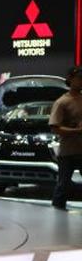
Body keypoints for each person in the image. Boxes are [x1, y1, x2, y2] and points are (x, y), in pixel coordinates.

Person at [50, 66, 82, 210]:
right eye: (79, 78)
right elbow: (55, 127)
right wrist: (77, 130)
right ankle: (57, 212)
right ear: (70, 79)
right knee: (63, 185)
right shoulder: (62, 102)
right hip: (68, 152)